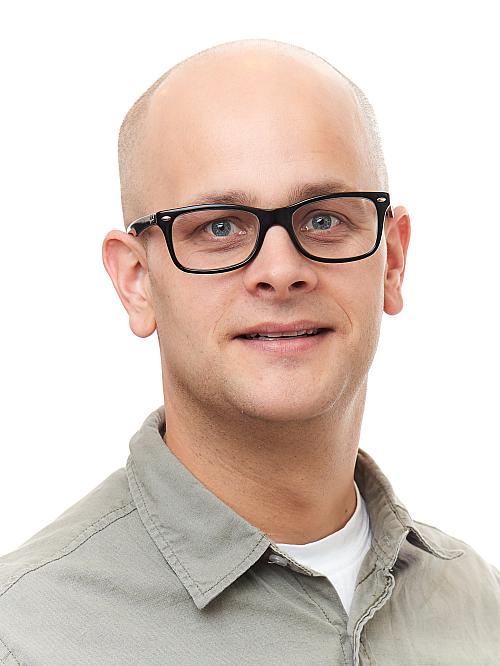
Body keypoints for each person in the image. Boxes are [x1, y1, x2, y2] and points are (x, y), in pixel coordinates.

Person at [0, 38, 498, 666]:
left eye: (324, 219)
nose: (282, 271)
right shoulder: (24, 638)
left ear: (392, 261)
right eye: (219, 226)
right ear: (136, 282)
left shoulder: (482, 610)